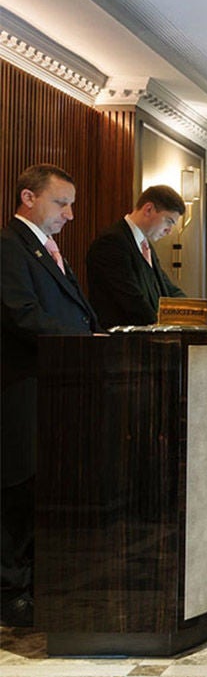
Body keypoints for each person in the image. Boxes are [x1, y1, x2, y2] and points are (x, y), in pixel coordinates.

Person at [1, 163, 100, 627]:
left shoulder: (47, 250)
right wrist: (87, 344)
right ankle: (10, 592)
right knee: (17, 493)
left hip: (55, 390)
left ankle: (37, 584)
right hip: (21, 391)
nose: (70, 213)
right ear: (28, 198)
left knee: (41, 490)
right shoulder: (8, 248)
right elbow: (22, 315)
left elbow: (76, 313)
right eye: (62, 203)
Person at [86, 185, 187, 328]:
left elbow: (166, 289)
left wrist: (194, 312)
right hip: (121, 343)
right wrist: (162, 326)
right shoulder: (111, 242)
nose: (169, 231)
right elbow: (132, 300)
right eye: (169, 222)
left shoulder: (145, 245)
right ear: (148, 209)